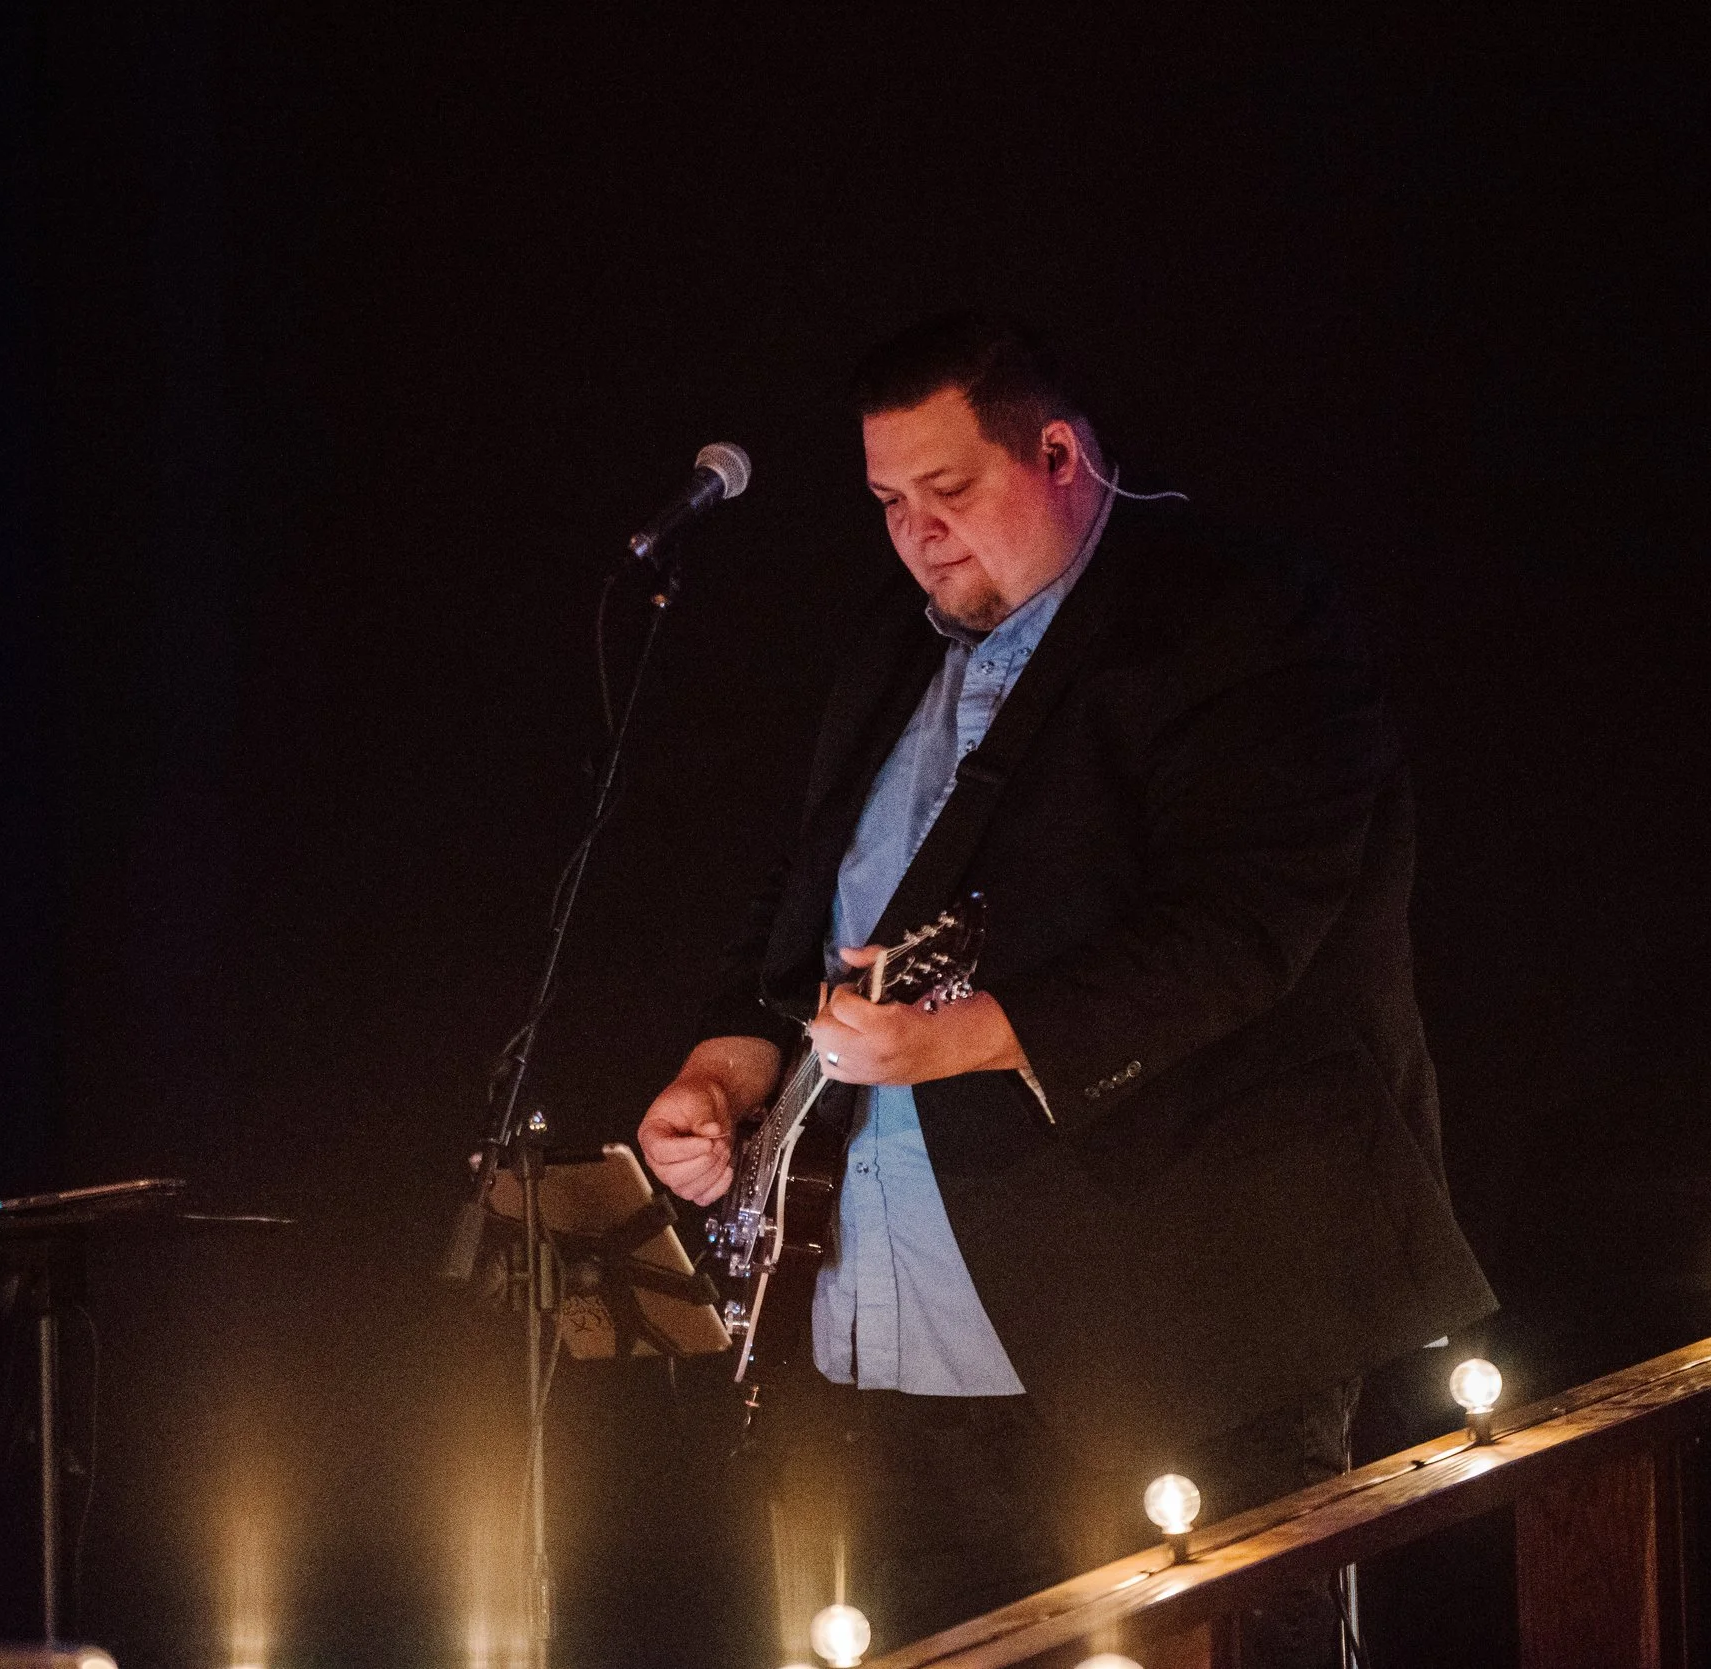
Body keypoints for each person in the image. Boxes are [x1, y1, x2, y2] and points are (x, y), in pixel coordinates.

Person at [637, 312, 1496, 1663]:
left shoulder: (1235, 615)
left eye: (950, 489)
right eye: (885, 501)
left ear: (1059, 455)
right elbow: (818, 896)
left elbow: (1247, 925)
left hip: (1180, 1310)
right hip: (899, 1318)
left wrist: (968, 1037)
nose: (917, 532)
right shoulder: (890, 646)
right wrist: (731, 1058)